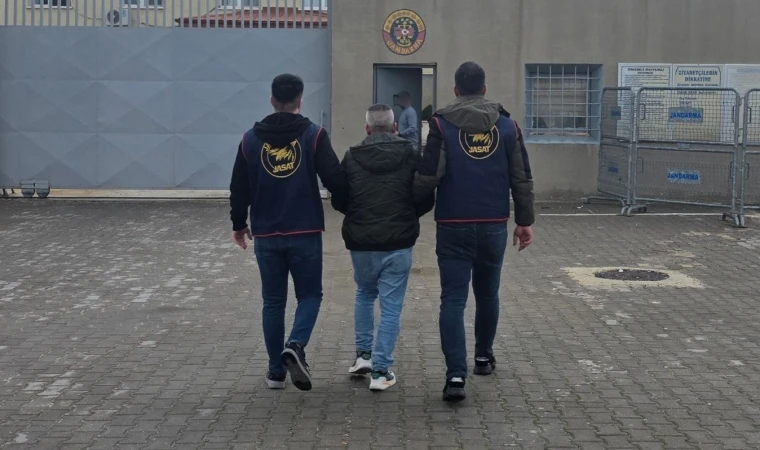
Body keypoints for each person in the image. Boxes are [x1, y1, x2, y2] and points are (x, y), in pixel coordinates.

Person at [413, 61, 535, 402]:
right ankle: (483, 357)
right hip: (494, 222)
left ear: (455, 90)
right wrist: (524, 221)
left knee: (453, 299)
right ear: (484, 89)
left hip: (453, 223)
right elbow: (521, 177)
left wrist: (407, 208)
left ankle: (455, 376)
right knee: (488, 293)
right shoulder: (508, 126)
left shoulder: (441, 123)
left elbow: (429, 175)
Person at [229, 73, 347, 392]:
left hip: (267, 234)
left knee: (273, 301)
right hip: (305, 230)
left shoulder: (250, 140)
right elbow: (335, 179)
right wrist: (353, 206)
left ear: (272, 100)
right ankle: (295, 345)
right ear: (300, 100)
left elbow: (239, 187)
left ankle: (275, 373)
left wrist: (239, 225)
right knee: (310, 295)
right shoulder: (313, 135)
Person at [331, 104, 434, 391]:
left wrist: (356, 216)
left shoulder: (352, 156)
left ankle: (363, 356)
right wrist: (409, 216)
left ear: (367, 129)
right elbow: (424, 194)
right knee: (391, 308)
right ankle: (380, 371)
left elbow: (340, 197)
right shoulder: (410, 154)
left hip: (361, 240)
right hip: (398, 240)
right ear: (394, 127)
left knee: (364, 293)